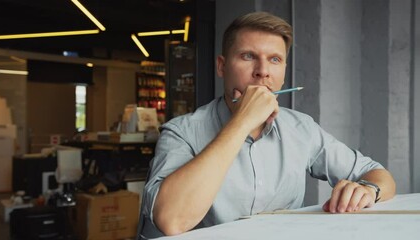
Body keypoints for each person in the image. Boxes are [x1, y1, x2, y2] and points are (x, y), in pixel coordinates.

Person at [137, 11, 396, 238]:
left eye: (275, 59)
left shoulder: (301, 128)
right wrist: (241, 122)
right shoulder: (181, 131)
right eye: (248, 56)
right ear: (221, 66)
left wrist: (368, 190)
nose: (263, 71)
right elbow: (171, 220)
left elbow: (380, 175)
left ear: (283, 72)